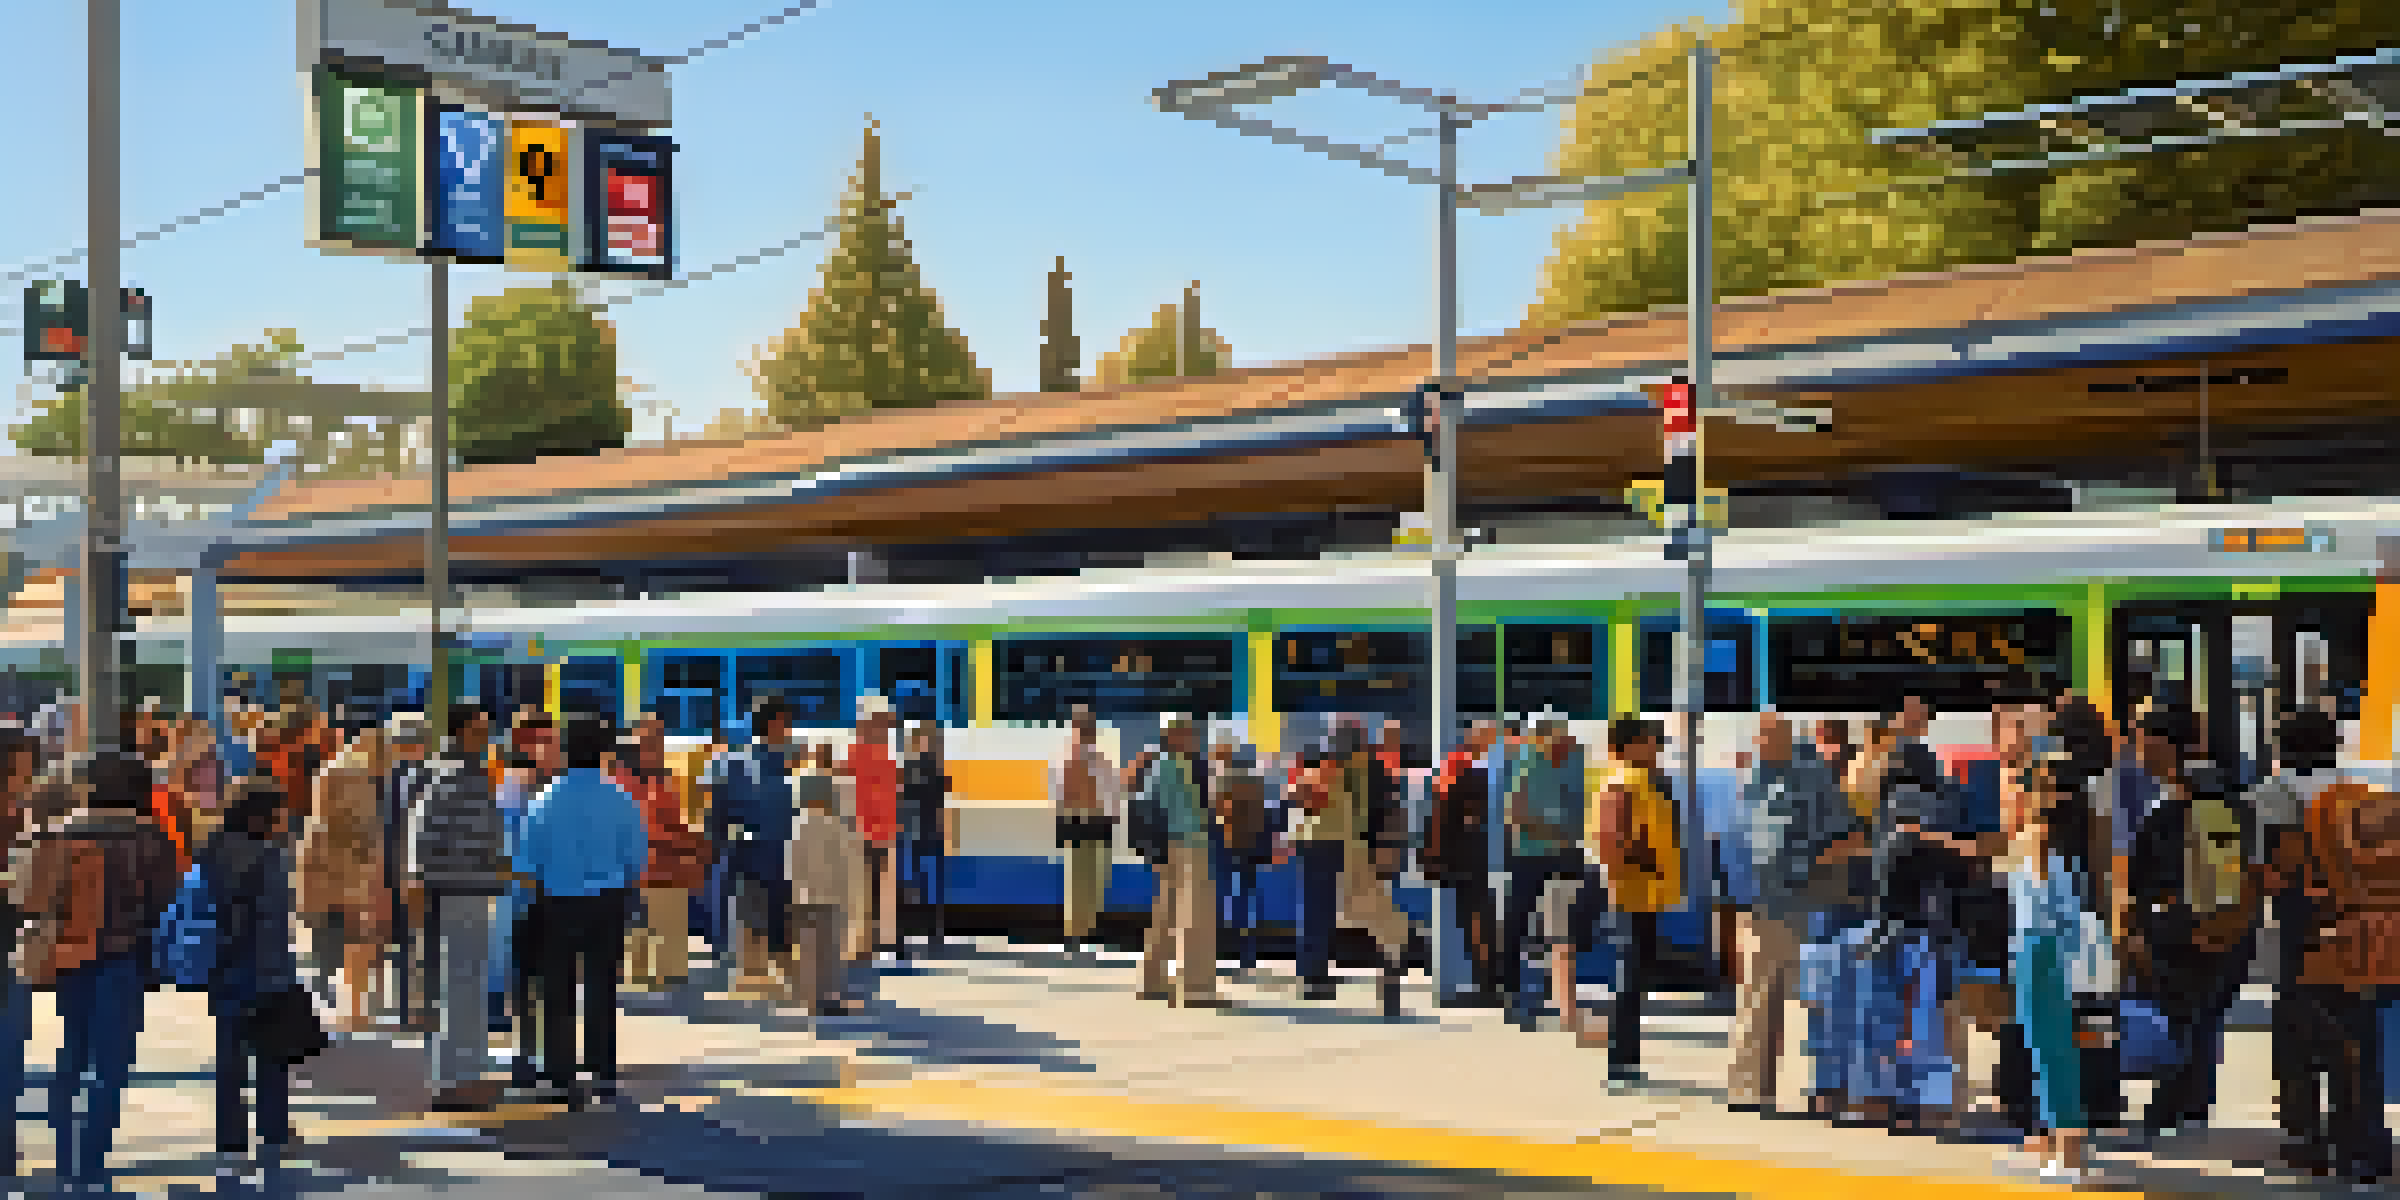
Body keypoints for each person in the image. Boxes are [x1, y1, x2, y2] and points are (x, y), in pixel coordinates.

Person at [11, 750, 179, 1192]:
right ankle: (92, 1162)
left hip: (68, 957)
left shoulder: (58, 833)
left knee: (70, 1056)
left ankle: (65, 1157)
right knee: (110, 1066)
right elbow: (167, 903)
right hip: (125, 959)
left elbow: (33, 899)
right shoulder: (152, 838)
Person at [2124, 707, 2260, 1143]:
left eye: (2145, 742)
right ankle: (2185, 1110)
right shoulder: (2183, 797)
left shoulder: (2205, 798)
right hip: (2190, 932)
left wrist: (2191, 926)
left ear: (2170, 746)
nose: (2139, 753)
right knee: (2193, 1022)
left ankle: (2171, 1110)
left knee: (2190, 1020)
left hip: (2198, 935)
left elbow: (2220, 883)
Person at [512, 711, 648, 1107]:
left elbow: (526, 864)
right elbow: (635, 859)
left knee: (557, 989)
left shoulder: (544, 801)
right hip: (608, 901)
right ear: (605, 752)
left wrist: (524, 910)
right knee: (602, 986)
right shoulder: (623, 799)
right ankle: (603, 1073)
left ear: (566, 752)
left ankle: (560, 1075)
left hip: (556, 902)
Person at [1728, 711, 1853, 1114]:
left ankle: (1807, 1091)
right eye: (1760, 738)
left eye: (1769, 737)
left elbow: (1848, 837)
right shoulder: (1753, 777)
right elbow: (1741, 840)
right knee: (1755, 1000)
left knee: (1805, 1004)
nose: (1763, 745)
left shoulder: (1813, 773)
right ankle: (1750, 1092)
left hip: (1803, 906)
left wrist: (1811, 865)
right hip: (1760, 904)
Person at [2279, 779, 2399, 1184]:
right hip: (2365, 955)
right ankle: (2362, 1147)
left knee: (2345, 1054)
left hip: (2342, 957)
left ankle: (2343, 1146)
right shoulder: (2353, 817)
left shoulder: (2326, 824)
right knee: (2360, 1056)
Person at [2004, 769, 2109, 1183]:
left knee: (2051, 1053)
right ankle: (2062, 1146)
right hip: (2047, 948)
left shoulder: (2036, 838)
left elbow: (2041, 906)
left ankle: (2068, 1154)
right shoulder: (2046, 841)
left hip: (2041, 949)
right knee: (2051, 1051)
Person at [200, 777, 302, 1177]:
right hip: (265, 968)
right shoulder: (269, 855)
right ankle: (273, 1132)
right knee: (273, 1057)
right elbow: (276, 917)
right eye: (280, 811)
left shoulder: (212, 849)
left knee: (229, 1059)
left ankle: (229, 1141)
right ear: (265, 814)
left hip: (222, 966)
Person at [412, 703, 510, 1111]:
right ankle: (456, 1080)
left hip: (463, 887)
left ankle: (463, 1074)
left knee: (463, 984)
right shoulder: (457, 775)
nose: (487, 735)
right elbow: (429, 835)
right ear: (461, 731)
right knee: (462, 985)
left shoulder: (456, 772)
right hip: (461, 888)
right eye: (480, 727)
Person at [1589, 718, 1680, 1086]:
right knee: (1628, 978)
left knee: (1636, 975)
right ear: (1629, 747)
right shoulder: (1621, 783)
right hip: (1631, 893)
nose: (1656, 747)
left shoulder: (1646, 781)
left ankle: (1628, 1058)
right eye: (1649, 742)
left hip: (1647, 892)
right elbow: (1609, 841)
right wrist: (1640, 863)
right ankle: (1620, 1062)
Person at [704, 696, 801, 999]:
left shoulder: (745, 763)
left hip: (758, 860)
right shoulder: (757, 765)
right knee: (763, 927)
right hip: (763, 861)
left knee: (763, 928)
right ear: (773, 725)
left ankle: (765, 983)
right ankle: (767, 983)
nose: (788, 731)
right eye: (785, 724)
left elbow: (718, 815)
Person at [298, 726, 391, 1032]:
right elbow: (356, 825)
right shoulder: (351, 775)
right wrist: (373, 856)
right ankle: (353, 1011)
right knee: (355, 943)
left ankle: (347, 1008)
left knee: (338, 944)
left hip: (332, 871)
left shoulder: (337, 770)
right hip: (344, 873)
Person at [1499, 718, 1586, 1027]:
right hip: (1530, 857)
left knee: (1563, 927)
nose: (1563, 743)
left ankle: (1558, 995)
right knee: (1519, 925)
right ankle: (1512, 995)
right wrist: (1558, 834)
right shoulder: (1527, 763)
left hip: (1561, 855)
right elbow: (1515, 814)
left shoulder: (1570, 762)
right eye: (1557, 737)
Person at [1136, 715, 1224, 1008]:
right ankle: (1197, 989)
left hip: (1168, 846)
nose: (1196, 736)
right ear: (1175, 735)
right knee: (1195, 916)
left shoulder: (1159, 766)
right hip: (1191, 843)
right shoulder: (1179, 764)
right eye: (1190, 731)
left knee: (1166, 914)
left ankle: (1153, 982)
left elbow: (1145, 807)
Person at [618, 715, 708, 992]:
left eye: (658, 738)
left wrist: (693, 844)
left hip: (668, 870)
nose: (654, 745)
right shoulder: (620, 780)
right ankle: (640, 978)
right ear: (635, 742)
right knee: (638, 930)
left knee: (669, 930)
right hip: (637, 871)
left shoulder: (668, 777)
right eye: (648, 739)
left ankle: (667, 977)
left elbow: (681, 820)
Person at [1425, 719, 1502, 1007]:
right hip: (1470, 854)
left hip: (1477, 853)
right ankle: (1486, 984)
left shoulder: (1467, 764)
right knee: (1478, 917)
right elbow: (1443, 810)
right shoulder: (1462, 765)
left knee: (1478, 918)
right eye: (1490, 735)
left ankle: (1488, 982)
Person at [790, 742, 865, 1016]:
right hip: (831, 899)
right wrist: (852, 900)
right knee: (830, 954)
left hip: (805, 898)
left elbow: (793, 864)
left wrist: (795, 891)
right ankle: (829, 998)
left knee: (809, 952)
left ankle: (811, 999)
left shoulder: (798, 825)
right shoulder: (836, 827)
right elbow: (847, 866)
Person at [0, 727, 41, 1178]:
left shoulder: (20, 813)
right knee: (7, 1057)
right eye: (26, 763)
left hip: (14, 947)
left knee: (10, 1057)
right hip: (7, 949)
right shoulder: (10, 816)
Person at [380, 713, 437, 1030]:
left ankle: (425, 1009)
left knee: (427, 945)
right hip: (399, 875)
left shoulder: (435, 778)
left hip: (427, 876)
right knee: (404, 945)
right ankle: (406, 1009)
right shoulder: (391, 779)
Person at [1052, 705, 1119, 959]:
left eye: (1085, 725)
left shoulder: (1079, 758)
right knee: (1085, 883)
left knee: (1086, 883)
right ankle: (1078, 936)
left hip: (1088, 822)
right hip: (1087, 822)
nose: (1083, 730)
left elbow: (1108, 792)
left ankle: (1080, 935)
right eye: (1081, 725)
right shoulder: (1076, 759)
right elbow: (1063, 794)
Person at [844, 696, 902, 962]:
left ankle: (872, 943)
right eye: (880, 722)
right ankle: (863, 944)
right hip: (862, 834)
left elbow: (891, 795)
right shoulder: (856, 754)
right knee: (863, 892)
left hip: (879, 834)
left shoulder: (885, 755)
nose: (885, 728)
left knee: (875, 892)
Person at [1212, 731, 1272, 973]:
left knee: (1221, 897)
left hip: (1227, 846)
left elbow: (1220, 814)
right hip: (1251, 847)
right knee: (1247, 901)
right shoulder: (1257, 784)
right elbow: (1262, 817)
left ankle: (1217, 949)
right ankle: (1247, 955)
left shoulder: (1225, 783)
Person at [898, 720, 954, 957]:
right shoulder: (932, 768)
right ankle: (931, 933)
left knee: (920, 885)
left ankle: (924, 932)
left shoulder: (914, 767)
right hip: (922, 833)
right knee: (925, 885)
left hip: (919, 833)